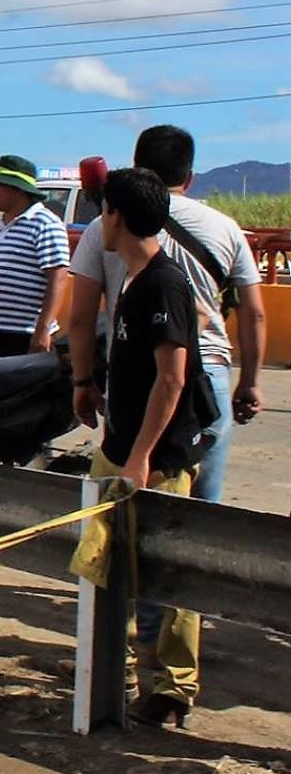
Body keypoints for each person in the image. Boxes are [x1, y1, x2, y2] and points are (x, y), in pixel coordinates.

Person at [68, 126, 265, 503]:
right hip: (210, 375)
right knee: (202, 513)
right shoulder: (225, 227)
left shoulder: (106, 224)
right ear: (189, 178)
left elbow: (79, 317)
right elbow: (253, 314)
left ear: (136, 167)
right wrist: (251, 381)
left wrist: (82, 381)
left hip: (139, 378)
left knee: (130, 506)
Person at [82, 167, 205, 728]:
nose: (98, 221)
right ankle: (128, 674)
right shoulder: (136, 280)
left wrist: (141, 458)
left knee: (166, 576)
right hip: (122, 444)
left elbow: (172, 380)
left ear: (119, 217)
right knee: (116, 570)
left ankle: (170, 688)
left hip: (154, 458)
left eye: (103, 210)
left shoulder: (161, 283)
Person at [0, 154, 68, 357]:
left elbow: (58, 277)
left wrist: (43, 330)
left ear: (18, 189)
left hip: (26, 335)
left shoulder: (46, 223)